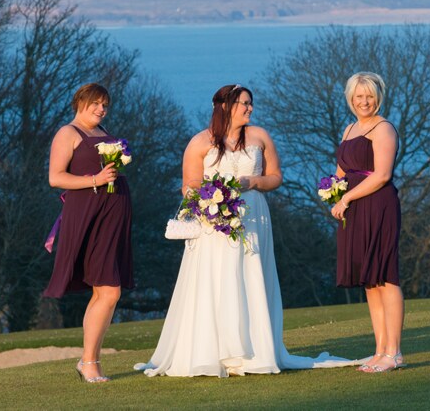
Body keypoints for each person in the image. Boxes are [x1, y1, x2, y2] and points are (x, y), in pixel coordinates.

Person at [135, 84, 364, 377]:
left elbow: (276, 177)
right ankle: (214, 351)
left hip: (254, 215)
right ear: (225, 107)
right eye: (244, 103)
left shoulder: (260, 136)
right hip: (214, 221)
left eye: (250, 103)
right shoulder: (199, 142)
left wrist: (252, 183)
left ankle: (256, 353)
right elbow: (189, 185)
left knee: (251, 274)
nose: (249, 108)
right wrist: (209, 201)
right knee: (217, 278)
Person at [44, 83, 134, 382]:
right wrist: (95, 179)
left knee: (105, 291)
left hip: (112, 217)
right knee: (110, 290)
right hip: (87, 217)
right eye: (94, 103)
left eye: (104, 105)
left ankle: (89, 361)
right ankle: (89, 362)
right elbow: (56, 178)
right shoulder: (68, 133)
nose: (100, 109)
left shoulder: (103, 132)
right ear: (79, 103)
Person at [331, 72, 405, 372]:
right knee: (369, 281)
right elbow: (341, 171)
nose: (364, 101)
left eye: (369, 95)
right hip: (355, 210)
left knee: (386, 277)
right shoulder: (349, 129)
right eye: (359, 96)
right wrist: (332, 191)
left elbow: (382, 174)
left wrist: (346, 198)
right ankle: (380, 351)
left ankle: (395, 353)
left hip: (379, 205)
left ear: (378, 96)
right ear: (350, 98)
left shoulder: (383, 128)